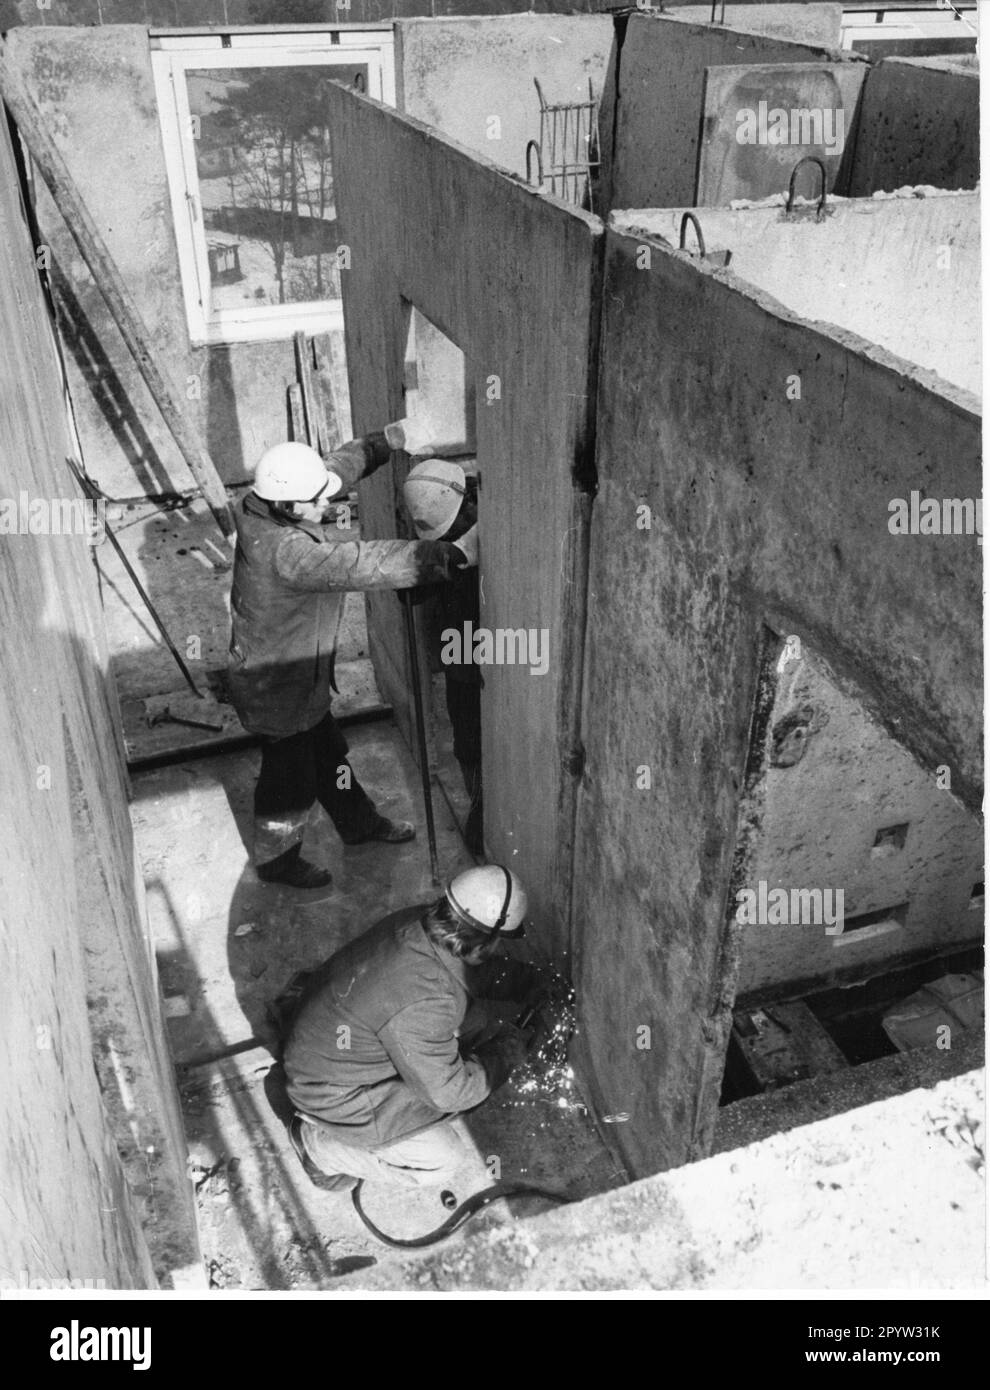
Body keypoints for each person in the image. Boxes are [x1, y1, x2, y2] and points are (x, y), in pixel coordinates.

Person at [228, 421, 478, 889]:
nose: (329, 503)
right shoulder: (288, 553)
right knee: (289, 783)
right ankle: (277, 861)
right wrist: (447, 556)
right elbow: (362, 563)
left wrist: (386, 442)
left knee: (329, 755)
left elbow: (333, 472)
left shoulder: (270, 501)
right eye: (317, 499)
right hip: (275, 685)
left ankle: (358, 823)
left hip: (299, 672)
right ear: (286, 504)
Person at [282, 865, 542, 1190]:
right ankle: (318, 1146)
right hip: (329, 1093)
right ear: (486, 943)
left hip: (325, 1045)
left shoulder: (425, 922)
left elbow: (472, 969)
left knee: (473, 1025)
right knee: (444, 1158)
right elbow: (450, 1092)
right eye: (497, 944)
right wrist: (505, 1054)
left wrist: (531, 982)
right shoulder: (422, 999)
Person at [403, 460, 484, 854]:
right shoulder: (433, 504)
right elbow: (412, 591)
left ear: (468, 501)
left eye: (452, 528)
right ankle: (480, 804)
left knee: (501, 741)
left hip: (504, 651)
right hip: (460, 654)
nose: (449, 535)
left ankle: (491, 810)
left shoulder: (496, 512)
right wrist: (435, 562)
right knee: (466, 740)